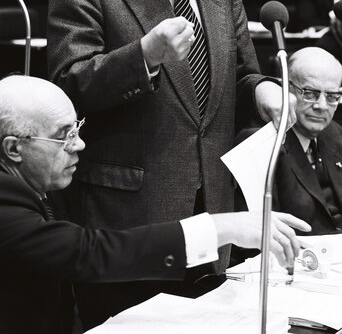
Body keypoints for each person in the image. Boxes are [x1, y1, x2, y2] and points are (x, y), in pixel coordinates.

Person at [47, 0, 296, 328]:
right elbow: (67, 87)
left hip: (213, 223)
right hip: (128, 223)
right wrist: (143, 57)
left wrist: (263, 90)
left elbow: (241, 75)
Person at [0, 74, 309, 334]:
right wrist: (219, 227)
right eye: (63, 136)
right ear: (13, 148)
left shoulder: (44, 180)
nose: (79, 144)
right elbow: (87, 252)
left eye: (76, 129)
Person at [236, 47, 342, 235]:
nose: (322, 106)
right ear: (283, 86)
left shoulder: (335, 132)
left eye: (332, 96)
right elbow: (258, 238)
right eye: (309, 93)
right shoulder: (259, 144)